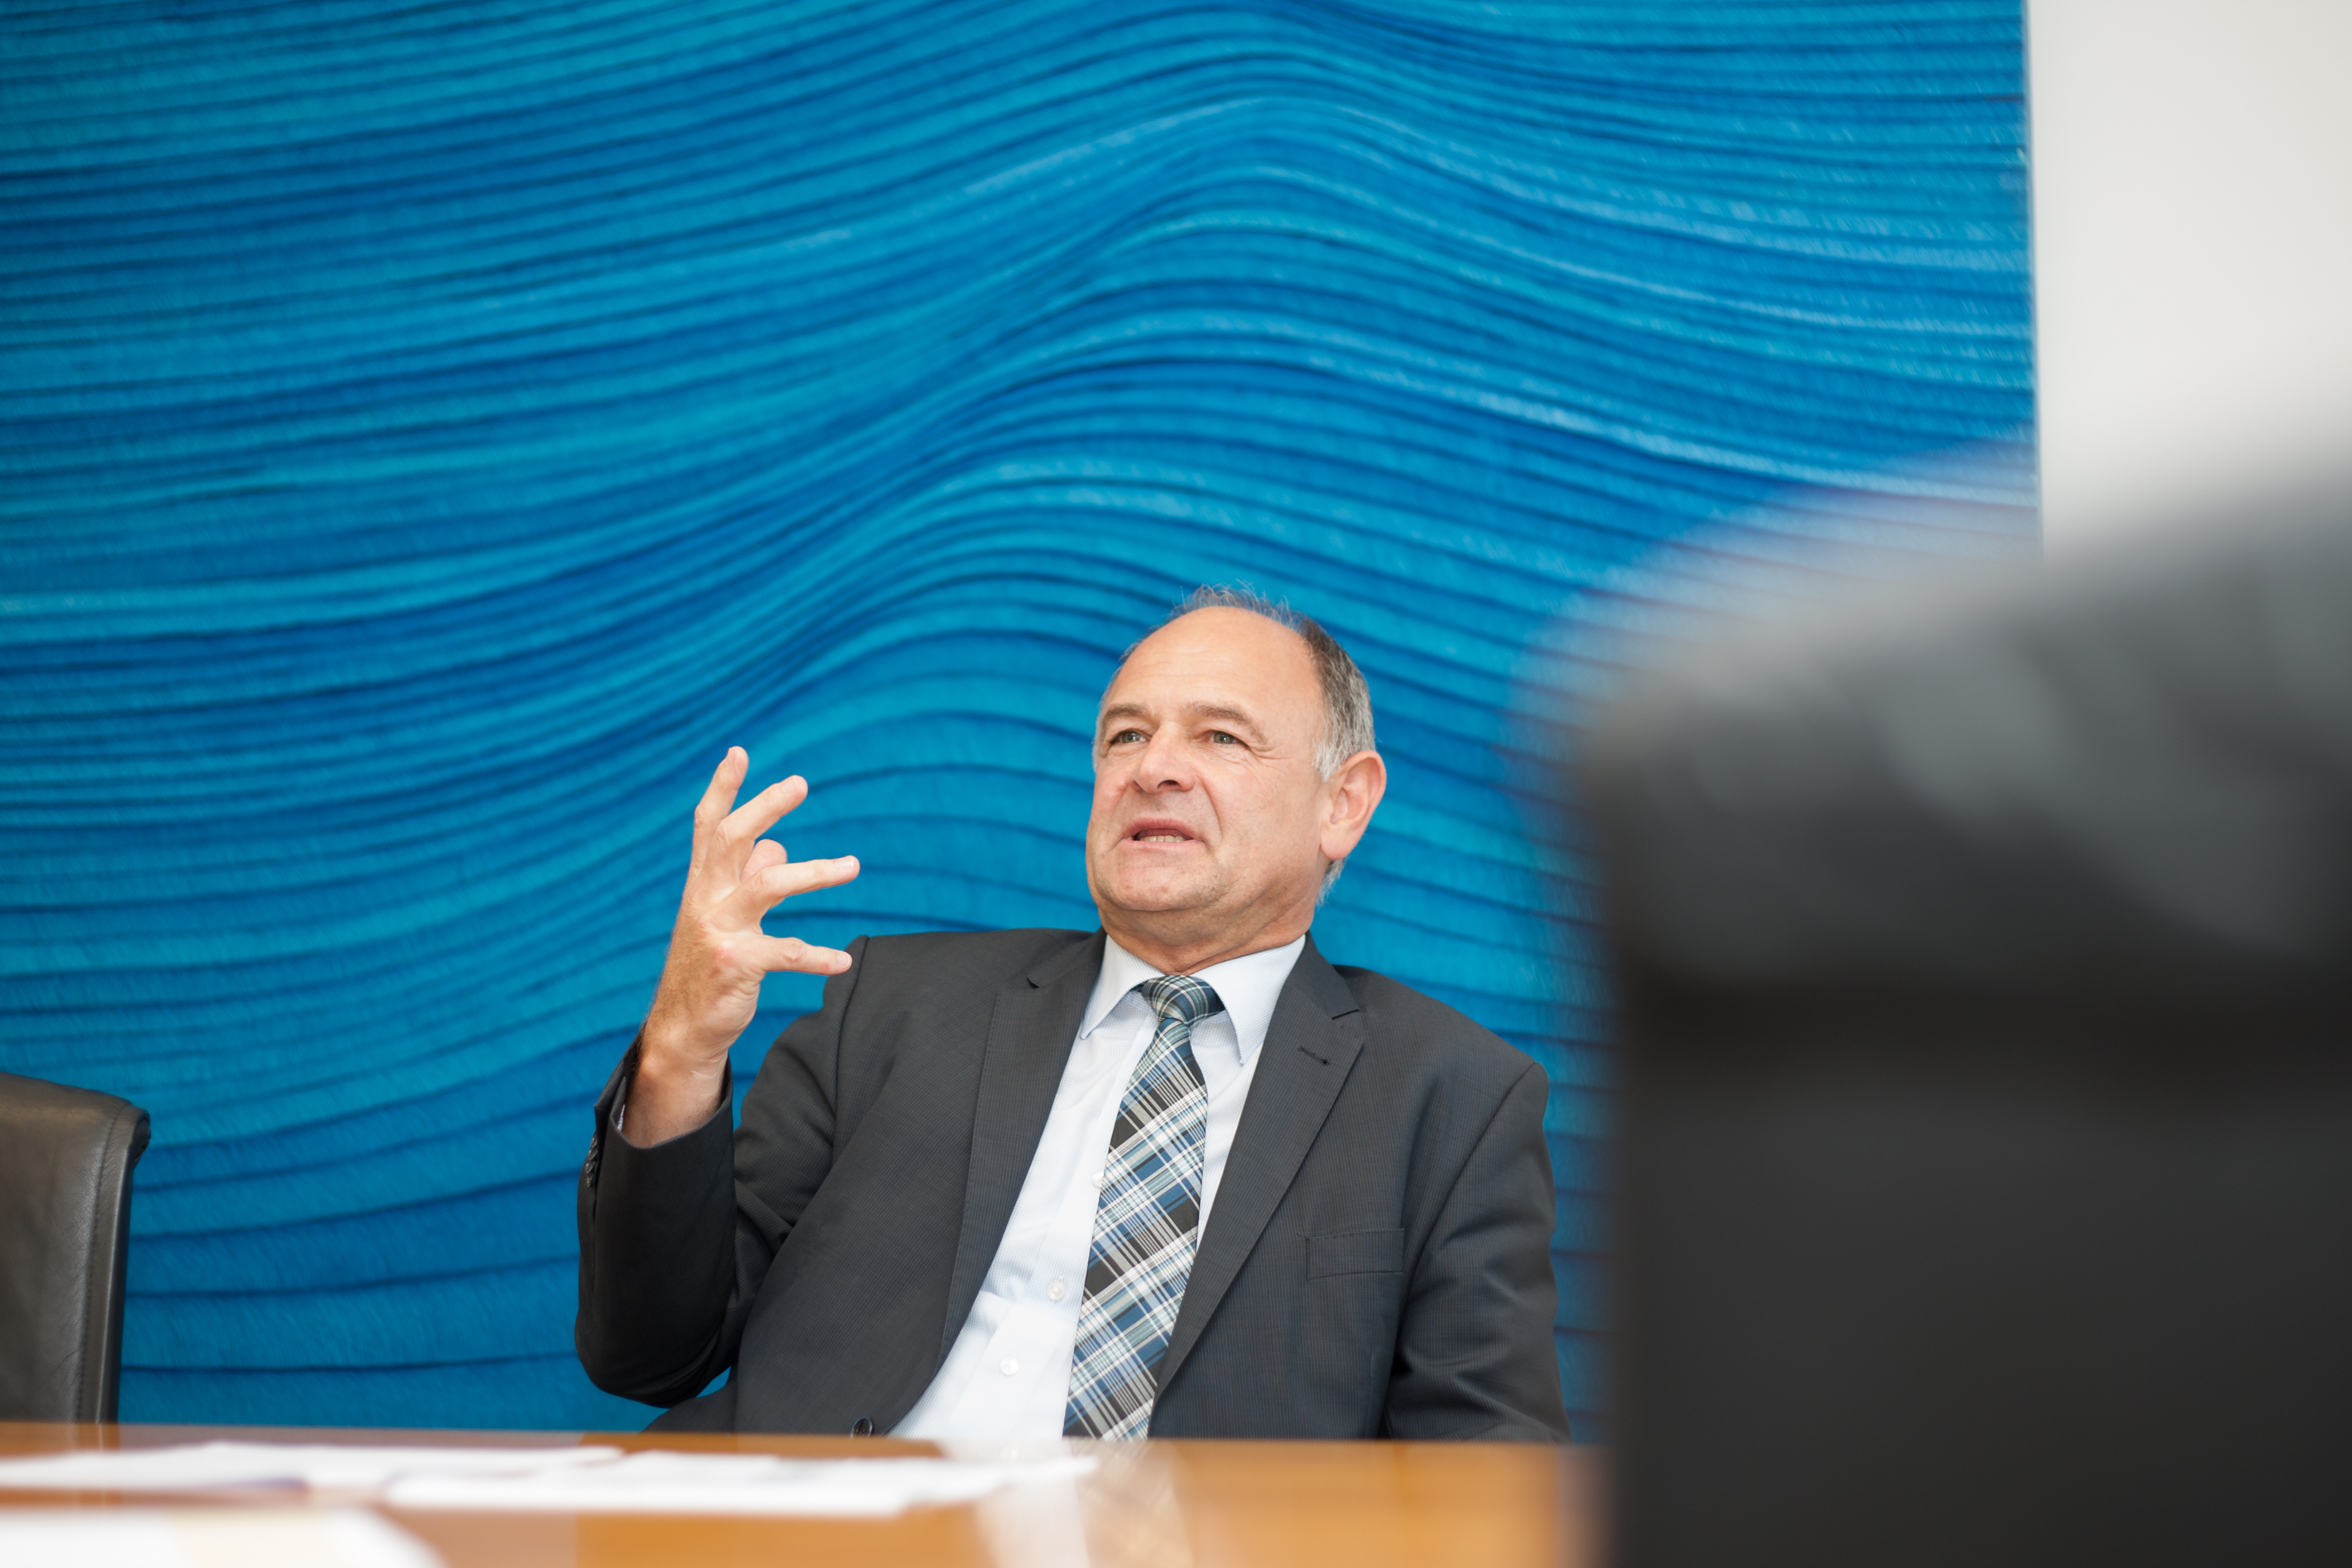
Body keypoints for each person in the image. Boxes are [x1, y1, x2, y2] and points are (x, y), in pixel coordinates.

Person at [575, 587, 1570, 1441]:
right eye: (1126, 735)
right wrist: (681, 1052)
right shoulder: (890, 1008)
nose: (1153, 768)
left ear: (1343, 804)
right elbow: (649, 1354)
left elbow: (1486, 1476)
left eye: (1220, 737)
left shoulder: (1453, 1100)